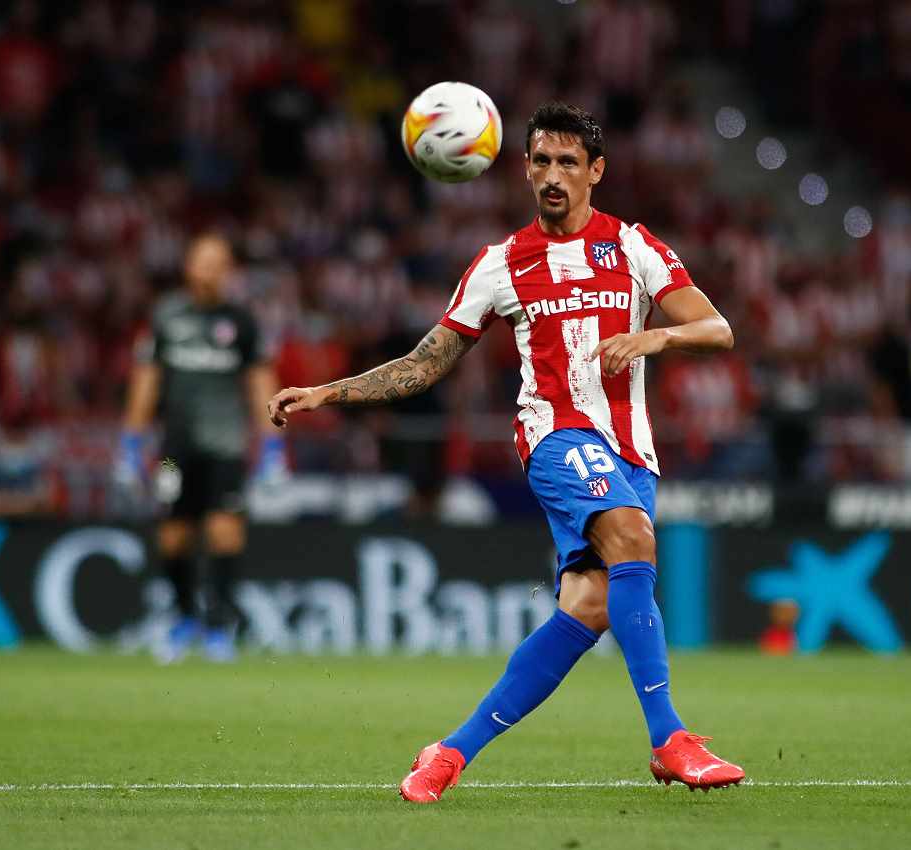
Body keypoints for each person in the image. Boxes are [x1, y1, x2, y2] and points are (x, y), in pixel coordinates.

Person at [268, 103, 745, 802]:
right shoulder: (500, 264)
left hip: (630, 454)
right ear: (524, 168)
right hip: (554, 437)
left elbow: (717, 327)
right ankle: (670, 739)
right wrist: (328, 393)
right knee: (633, 537)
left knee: (588, 606)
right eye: (541, 161)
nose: (553, 175)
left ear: (596, 171)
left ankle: (449, 753)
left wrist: (657, 336)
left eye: (568, 163)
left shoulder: (634, 247)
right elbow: (425, 362)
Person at [120, 234, 284, 663]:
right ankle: (182, 619)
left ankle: (219, 626)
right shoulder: (165, 316)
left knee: (225, 531)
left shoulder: (242, 322)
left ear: (229, 271)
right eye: (203, 262)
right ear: (188, 267)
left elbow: (260, 385)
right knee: (172, 536)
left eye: (218, 263)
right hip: (172, 450)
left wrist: (273, 446)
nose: (210, 270)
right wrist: (130, 444)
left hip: (226, 446)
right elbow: (146, 381)